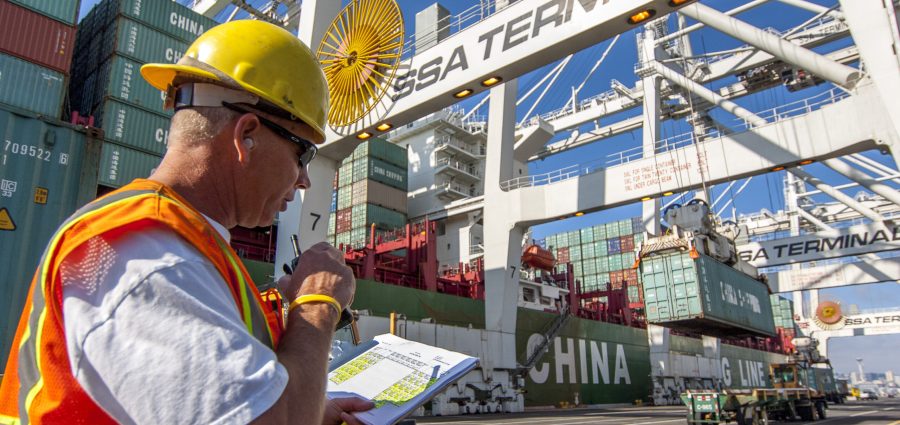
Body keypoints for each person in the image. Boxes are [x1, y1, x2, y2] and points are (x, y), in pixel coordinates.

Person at [0, 20, 373, 424]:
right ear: (246, 135)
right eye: (303, 154)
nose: (304, 180)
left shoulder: (184, 245)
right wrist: (318, 301)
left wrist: (311, 409)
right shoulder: (147, 258)